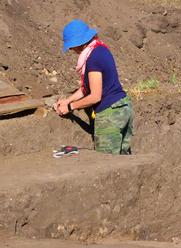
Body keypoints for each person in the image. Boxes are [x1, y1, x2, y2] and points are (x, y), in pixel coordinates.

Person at [54, 19, 133, 155]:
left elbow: (95, 96)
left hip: (111, 115)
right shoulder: (100, 49)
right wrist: (68, 100)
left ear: (79, 43)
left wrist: (70, 107)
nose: (72, 50)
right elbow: (86, 88)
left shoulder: (93, 59)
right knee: (123, 162)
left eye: (72, 46)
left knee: (106, 163)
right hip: (124, 108)